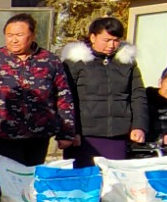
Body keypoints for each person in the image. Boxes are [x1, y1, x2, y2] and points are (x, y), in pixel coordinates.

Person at [0, 13, 78, 165]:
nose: (14, 40)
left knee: (31, 177)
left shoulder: (50, 61)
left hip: (39, 135)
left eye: (19, 35)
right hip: (2, 134)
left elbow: (64, 97)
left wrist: (66, 133)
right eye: (9, 35)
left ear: (32, 35)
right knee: (6, 177)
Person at [61, 16, 148, 168]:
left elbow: (138, 95)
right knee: (85, 178)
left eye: (116, 40)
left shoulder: (127, 63)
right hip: (84, 135)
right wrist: (71, 131)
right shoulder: (75, 62)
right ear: (93, 37)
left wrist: (139, 126)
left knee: (114, 178)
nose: (111, 45)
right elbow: (67, 99)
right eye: (106, 40)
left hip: (117, 134)